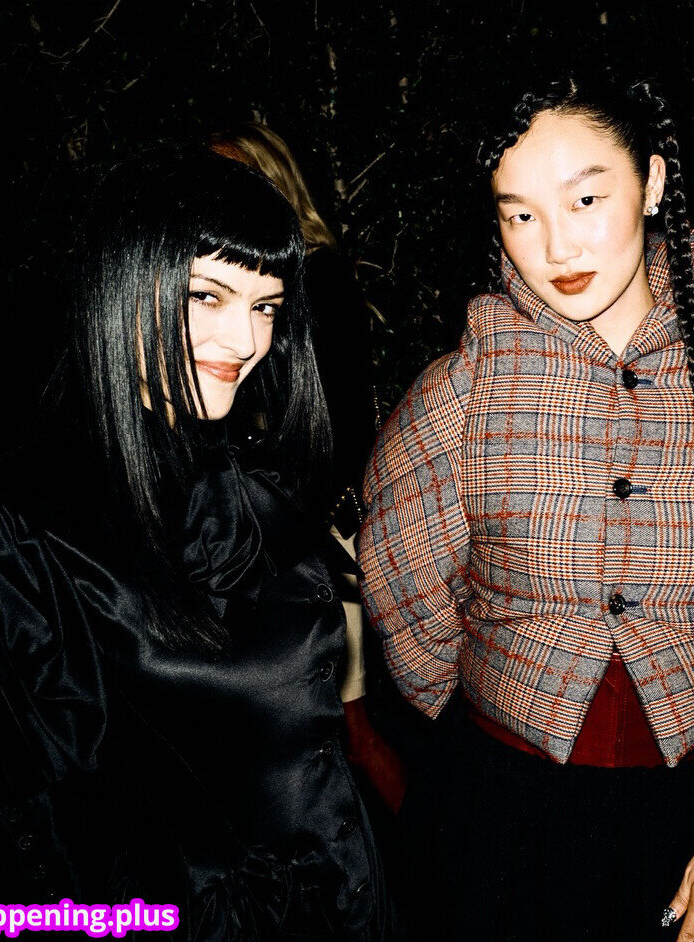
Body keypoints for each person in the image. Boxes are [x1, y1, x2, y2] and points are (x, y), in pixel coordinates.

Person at [358, 75, 694, 942]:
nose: (555, 245)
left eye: (585, 199)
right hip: (501, 817)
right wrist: (504, 707)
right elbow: (403, 589)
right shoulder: (465, 383)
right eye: (520, 215)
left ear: (652, 182)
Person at [0, 147, 392, 940]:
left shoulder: (251, 491)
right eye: (207, 295)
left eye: (266, 306)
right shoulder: (18, 540)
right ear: (125, 284)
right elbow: (32, 845)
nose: (245, 338)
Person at [209, 122, 404, 818]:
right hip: (277, 523)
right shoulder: (244, 277)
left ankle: (431, 861)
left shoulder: (314, 277)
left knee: (349, 723)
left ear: (275, 181)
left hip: (315, 527)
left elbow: (333, 418)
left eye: (237, 176)